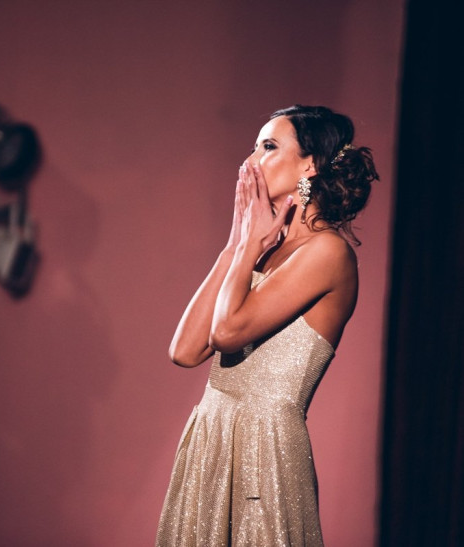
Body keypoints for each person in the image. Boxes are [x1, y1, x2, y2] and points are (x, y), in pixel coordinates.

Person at [155, 105, 379, 546]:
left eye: (269, 146)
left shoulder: (327, 252)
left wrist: (245, 249)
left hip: (264, 451)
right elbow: (185, 351)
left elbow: (226, 334)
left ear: (310, 165)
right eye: (254, 146)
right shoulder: (260, 251)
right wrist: (237, 244)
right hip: (213, 435)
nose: (250, 160)